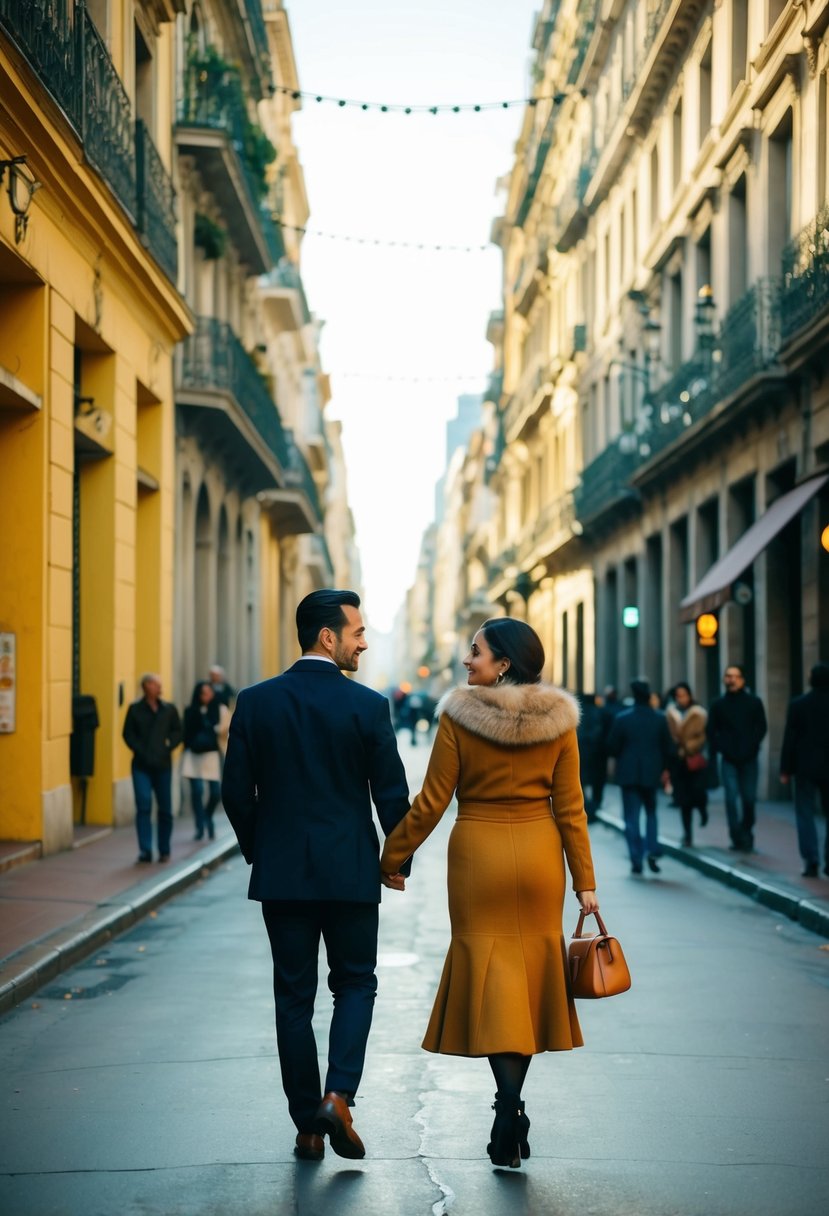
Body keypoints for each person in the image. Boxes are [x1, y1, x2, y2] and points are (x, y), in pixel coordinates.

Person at [380, 618, 598, 1170]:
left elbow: (431, 800)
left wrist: (393, 853)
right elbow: (571, 807)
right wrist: (585, 883)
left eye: (474, 653)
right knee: (528, 981)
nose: (465, 661)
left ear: (503, 663)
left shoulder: (459, 716)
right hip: (540, 854)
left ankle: (506, 1103)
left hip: (478, 855)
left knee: (493, 977)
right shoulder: (558, 721)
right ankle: (511, 1105)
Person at [221, 589, 410, 1164]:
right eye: (356, 632)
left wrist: (263, 851)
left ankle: (307, 1125)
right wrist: (395, 861)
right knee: (355, 983)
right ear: (328, 637)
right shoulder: (368, 706)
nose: (363, 641)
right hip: (350, 872)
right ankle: (338, 1097)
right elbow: (392, 795)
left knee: (293, 997)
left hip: (283, 876)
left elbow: (236, 794)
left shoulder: (255, 703)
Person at [607, 678, 673, 875]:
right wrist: (665, 769)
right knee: (651, 813)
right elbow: (668, 748)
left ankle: (636, 857)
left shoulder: (623, 718)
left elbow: (611, 747)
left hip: (628, 773)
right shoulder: (660, 718)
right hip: (652, 773)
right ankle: (652, 848)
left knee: (631, 817)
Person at [122, 673, 182, 864]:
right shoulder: (135, 709)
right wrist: (140, 750)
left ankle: (164, 850)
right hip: (141, 766)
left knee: (165, 809)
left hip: (163, 766)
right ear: (146, 686)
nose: (159, 687)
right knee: (144, 805)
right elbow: (127, 734)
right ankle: (145, 850)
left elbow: (178, 731)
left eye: (159, 684)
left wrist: (167, 746)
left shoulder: (169, 709)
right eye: (155, 684)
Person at [707, 664, 767, 852]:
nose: (731, 679)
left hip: (749, 758)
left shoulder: (754, 702)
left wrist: (753, 746)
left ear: (742, 679)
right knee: (731, 799)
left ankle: (746, 831)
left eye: (735, 676)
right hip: (729, 759)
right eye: (728, 676)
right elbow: (711, 731)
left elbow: (761, 727)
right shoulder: (718, 704)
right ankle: (736, 836)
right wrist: (720, 748)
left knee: (749, 799)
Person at [780, 662, 829, 878]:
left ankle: (811, 860)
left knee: (804, 814)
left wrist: (785, 769)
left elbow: (790, 739)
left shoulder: (799, 704)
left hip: (805, 767)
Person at [181, 681, 230, 841]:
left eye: (209, 692)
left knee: (215, 792)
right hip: (194, 755)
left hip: (212, 755)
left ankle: (207, 816)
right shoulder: (191, 711)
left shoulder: (220, 710)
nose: (207, 696)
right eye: (203, 693)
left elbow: (227, 729)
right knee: (197, 792)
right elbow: (185, 733)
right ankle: (200, 826)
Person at [666, 682, 709, 846]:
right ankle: (688, 834)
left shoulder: (698, 713)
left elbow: (703, 736)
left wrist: (690, 746)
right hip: (678, 761)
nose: (680, 698)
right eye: (678, 695)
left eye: (683, 694)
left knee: (698, 793)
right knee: (684, 800)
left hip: (695, 759)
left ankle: (703, 810)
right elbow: (669, 735)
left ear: (689, 695)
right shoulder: (671, 713)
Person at [576, 692, 605, 821]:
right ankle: (594, 807)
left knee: (581, 783)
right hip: (597, 754)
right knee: (596, 783)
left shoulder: (578, 713)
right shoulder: (599, 713)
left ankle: (586, 808)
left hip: (580, 752)